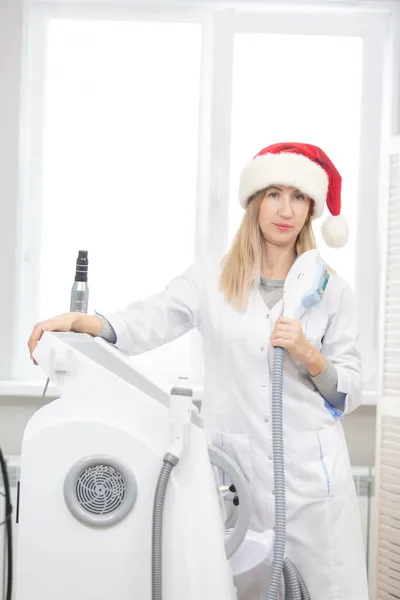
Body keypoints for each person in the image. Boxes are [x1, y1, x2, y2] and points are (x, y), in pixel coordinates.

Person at [28, 142, 369, 599]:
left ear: (311, 209)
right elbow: (148, 319)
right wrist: (86, 322)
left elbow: (349, 391)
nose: (285, 210)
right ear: (255, 201)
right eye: (274, 194)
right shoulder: (211, 278)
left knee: (328, 590)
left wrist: (310, 355)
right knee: (233, 588)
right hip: (238, 477)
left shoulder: (332, 291)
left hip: (313, 484)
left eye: (299, 197)